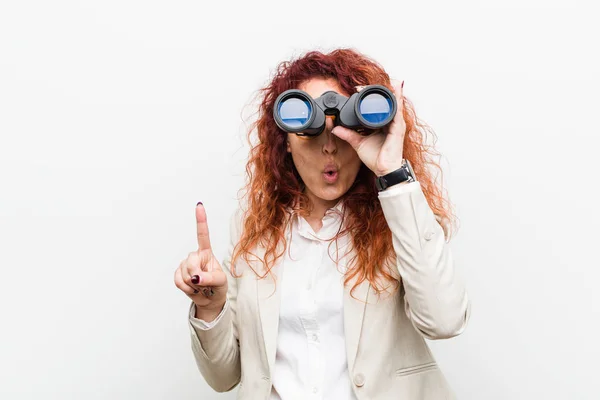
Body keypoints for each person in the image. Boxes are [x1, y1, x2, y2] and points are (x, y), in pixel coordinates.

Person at [174, 48, 471, 400]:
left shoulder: (396, 219)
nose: (329, 147)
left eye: (343, 128)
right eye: (311, 131)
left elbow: (444, 321)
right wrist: (211, 307)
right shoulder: (254, 231)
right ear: (284, 139)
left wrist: (392, 173)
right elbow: (224, 377)